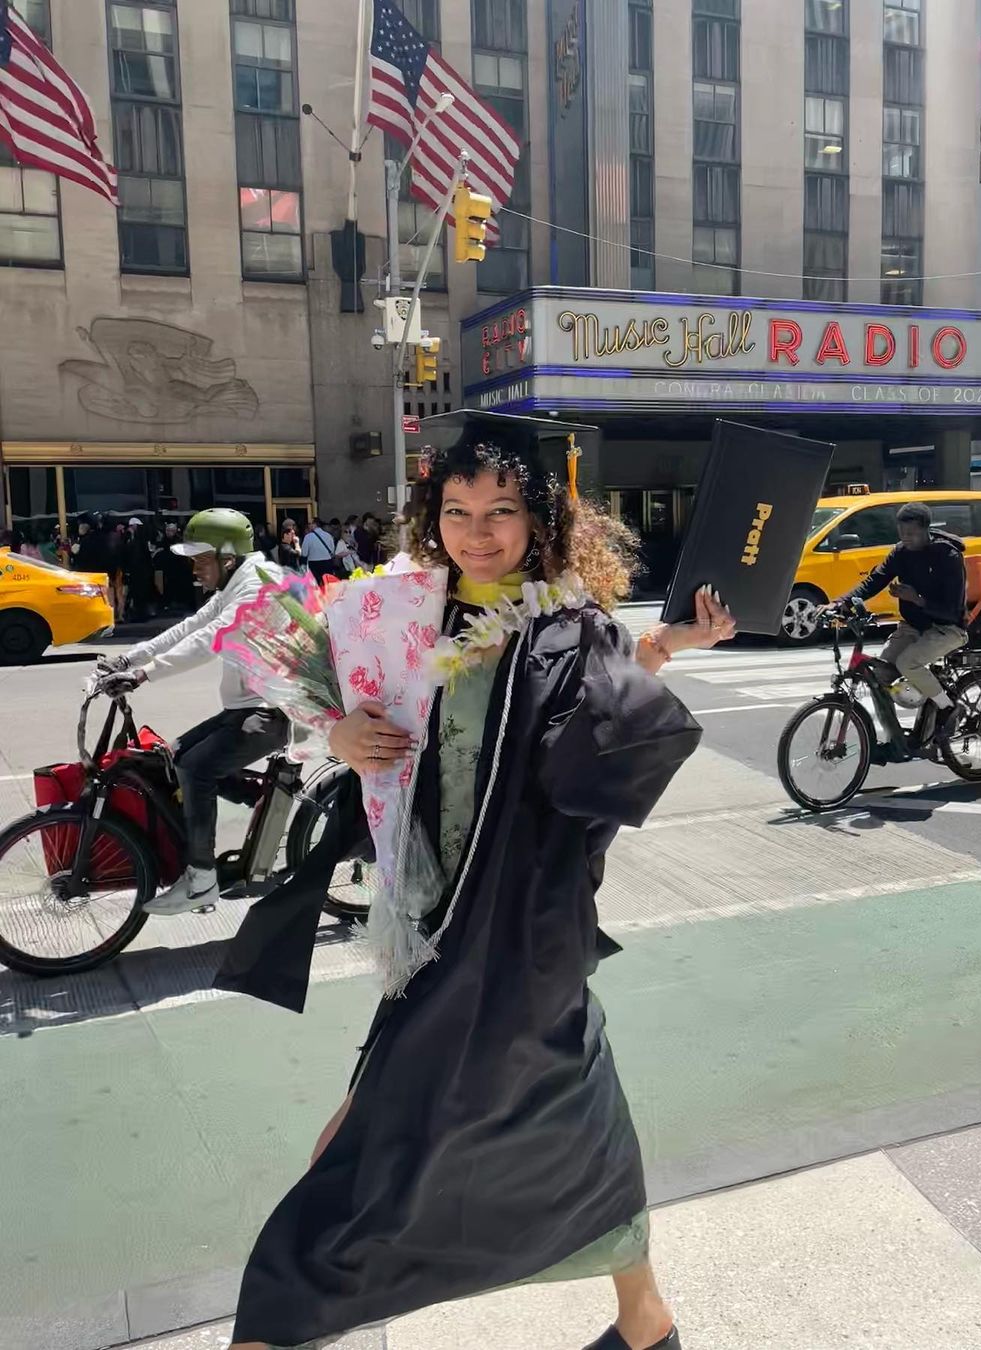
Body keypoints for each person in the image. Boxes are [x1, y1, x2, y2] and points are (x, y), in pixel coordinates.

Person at [217, 413, 736, 1350]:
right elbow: (324, 707)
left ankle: (283, 1315)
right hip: (428, 912)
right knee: (554, 1104)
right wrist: (337, 733)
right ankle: (647, 1320)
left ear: (541, 520)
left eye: (502, 509)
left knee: (398, 1127)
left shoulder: (566, 625)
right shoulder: (396, 614)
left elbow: (602, 733)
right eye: (456, 510)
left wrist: (660, 654)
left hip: (518, 923)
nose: (478, 531)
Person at [99, 509, 288, 915]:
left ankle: (202, 880)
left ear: (228, 557)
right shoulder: (234, 583)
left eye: (201, 559)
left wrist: (143, 676)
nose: (194, 568)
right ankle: (258, 798)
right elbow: (189, 626)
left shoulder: (258, 587)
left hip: (274, 709)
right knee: (173, 759)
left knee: (197, 769)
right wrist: (126, 660)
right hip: (245, 706)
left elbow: (209, 639)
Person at [837, 501, 968, 751]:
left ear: (926, 530)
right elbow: (875, 580)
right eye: (901, 533)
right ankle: (894, 740)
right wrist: (841, 602)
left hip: (948, 628)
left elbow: (951, 608)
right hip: (913, 627)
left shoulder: (948, 556)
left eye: (911, 533)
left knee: (907, 662)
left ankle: (949, 708)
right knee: (879, 677)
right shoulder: (901, 552)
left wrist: (916, 599)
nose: (905, 538)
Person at [124, 517, 157, 622]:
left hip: (138, 571)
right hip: (144, 570)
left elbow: (133, 556)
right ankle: (144, 613)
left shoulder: (136, 541)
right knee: (143, 593)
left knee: (139, 593)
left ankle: (140, 614)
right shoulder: (143, 539)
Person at [300, 516, 337, 583]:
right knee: (328, 584)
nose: (309, 526)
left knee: (316, 585)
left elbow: (304, 553)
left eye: (310, 523)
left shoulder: (308, 537)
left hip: (314, 564)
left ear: (315, 524)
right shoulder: (329, 536)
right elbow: (332, 551)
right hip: (327, 562)